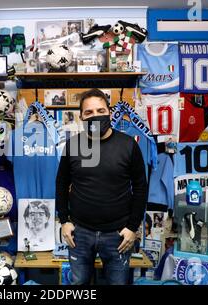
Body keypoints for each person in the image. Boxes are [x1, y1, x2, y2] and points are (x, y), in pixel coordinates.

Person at [56, 88, 148, 285]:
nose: (95, 116)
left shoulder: (128, 145)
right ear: (81, 116)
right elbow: (61, 184)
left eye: (100, 111)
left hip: (118, 235)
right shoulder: (73, 145)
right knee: (78, 283)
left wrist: (133, 227)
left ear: (109, 111)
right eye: (88, 112)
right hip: (79, 233)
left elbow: (140, 187)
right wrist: (64, 220)